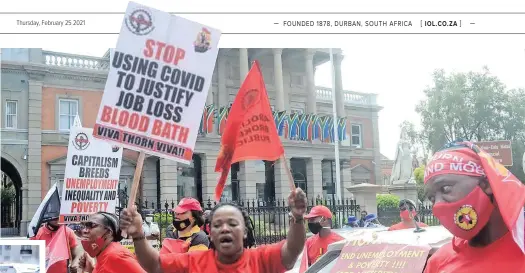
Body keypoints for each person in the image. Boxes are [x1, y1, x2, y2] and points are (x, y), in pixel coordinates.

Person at [119, 188, 307, 273]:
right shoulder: (193, 262)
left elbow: (291, 251)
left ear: (245, 232)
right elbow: (155, 265)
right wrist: (137, 234)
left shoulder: (261, 259)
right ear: (210, 233)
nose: (225, 229)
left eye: (232, 224)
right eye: (217, 225)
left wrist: (298, 218)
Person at [422, 141, 525, 273]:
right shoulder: (438, 263)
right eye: (432, 198)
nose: (437, 205)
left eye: (445, 188)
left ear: (485, 184)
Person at [78, 211, 145, 273]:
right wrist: (90, 270)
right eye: (84, 226)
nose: (84, 230)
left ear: (108, 232)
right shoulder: (104, 254)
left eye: (91, 225)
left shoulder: (116, 256)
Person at [299, 205, 345, 273]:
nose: (310, 222)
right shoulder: (309, 242)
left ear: (324, 219)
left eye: (312, 219)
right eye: (309, 220)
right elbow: (304, 268)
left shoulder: (341, 242)